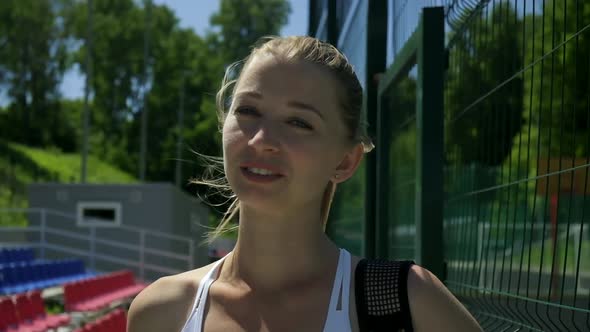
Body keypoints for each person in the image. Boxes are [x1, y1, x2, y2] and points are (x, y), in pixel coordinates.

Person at [127, 36, 482, 332]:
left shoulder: (407, 302)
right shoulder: (162, 312)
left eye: (299, 122)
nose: (262, 139)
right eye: (248, 111)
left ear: (345, 161)